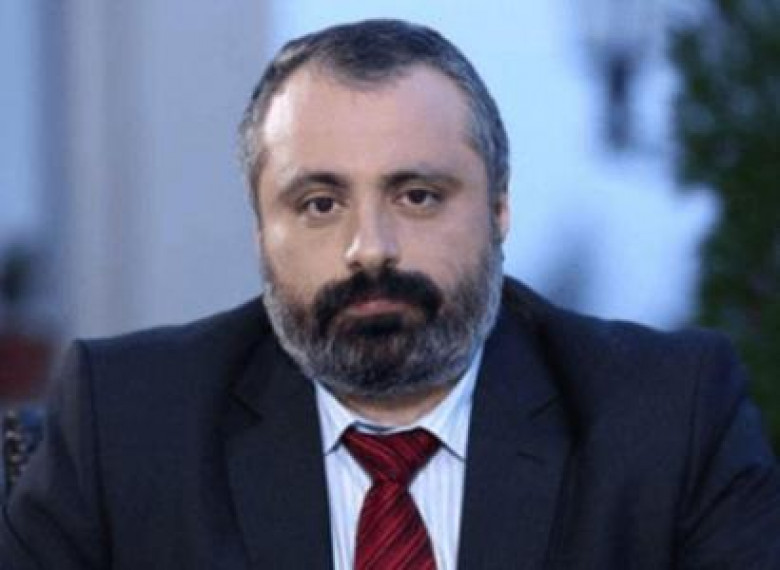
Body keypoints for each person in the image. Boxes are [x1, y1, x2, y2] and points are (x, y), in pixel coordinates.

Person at [1, 18, 779, 570]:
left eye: (417, 196)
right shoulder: (128, 421)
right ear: (261, 230)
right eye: (320, 204)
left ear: (499, 208)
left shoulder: (667, 417)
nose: (369, 248)